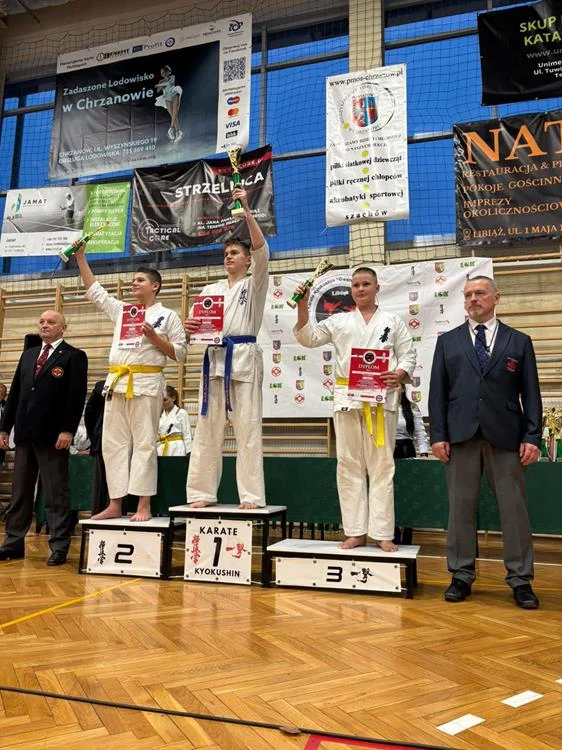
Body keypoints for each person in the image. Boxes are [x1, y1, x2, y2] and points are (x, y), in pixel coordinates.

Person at [429, 275, 542, 609]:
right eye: (468, 294)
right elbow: (437, 393)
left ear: (496, 297)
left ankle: (520, 579)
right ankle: (461, 575)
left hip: (506, 438)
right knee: (460, 510)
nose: (473, 299)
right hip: (460, 437)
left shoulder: (519, 341)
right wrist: (438, 435)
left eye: (479, 293)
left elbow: (531, 394)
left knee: (514, 511)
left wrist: (532, 436)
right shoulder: (447, 342)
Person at [294, 267, 416, 551]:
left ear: (377, 288)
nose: (360, 289)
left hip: (381, 400)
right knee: (349, 465)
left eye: (366, 284)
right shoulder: (339, 321)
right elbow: (308, 337)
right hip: (347, 400)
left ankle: (383, 533)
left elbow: (408, 354)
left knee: (382, 467)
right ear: (351, 290)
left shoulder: (392, 321)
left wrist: (399, 373)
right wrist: (303, 304)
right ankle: (355, 531)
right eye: (356, 285)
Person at [74, 250, 187, 522]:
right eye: (133, 280)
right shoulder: (125, 311)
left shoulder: (167, 316)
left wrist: (154, 338)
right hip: (117, 383)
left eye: (140, 280)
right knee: (113, 445)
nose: (134, 283)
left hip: (146, 384)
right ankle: (115, 503)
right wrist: (80, 258)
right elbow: (96, 291)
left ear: (155, 286)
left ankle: (143, 504)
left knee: (144, 444)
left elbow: (180, 354)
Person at [184, 186, 269, 509]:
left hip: (243, 358)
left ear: (248, 260)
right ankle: (201, 493)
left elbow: (262, 249)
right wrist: (190, 329)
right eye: (225, 254)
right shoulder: (210, 289)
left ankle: (251, 496)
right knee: (207, 429)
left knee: (248, 430)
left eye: (234, 253)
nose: (228, 257)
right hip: (214, 360)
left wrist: (245, 208)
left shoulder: (254, 283)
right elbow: (196, 328)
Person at [0, 310, 88, 564]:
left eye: (51, 322)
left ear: (63, 327)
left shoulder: (73, 356)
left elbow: (75, 396)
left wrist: (68, 430)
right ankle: (13, 543)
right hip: (25, 433)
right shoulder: (29, 355)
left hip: (53, 435)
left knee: (55, 492)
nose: (45, 325)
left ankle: (59, 546)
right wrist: (5, 428)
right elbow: (15, 393)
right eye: (41, 322)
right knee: (20, 492)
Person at [393, 386, 429, 545]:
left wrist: (423, 452)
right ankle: (392, 531)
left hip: (407, 451)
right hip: (388, 451)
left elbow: (420, 432)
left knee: (407, 493)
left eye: (397, 385)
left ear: (402, 388)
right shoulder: (383, 405)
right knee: (391, 493)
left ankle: (408, 531)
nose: (395, 388)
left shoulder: (412, 407)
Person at [84, 380, 110, 516]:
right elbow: (90, 412)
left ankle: (97, 516)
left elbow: (90, 412)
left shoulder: (102, 385)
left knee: (100, 485)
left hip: (103, 438)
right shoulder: (102, 386)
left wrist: (94, 435)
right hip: (105, 439)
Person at [157, 385, 192, 456]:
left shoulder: (181, 413)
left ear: (173, 398)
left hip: (177, 448)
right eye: (160, 400)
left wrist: (189, 452)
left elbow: (187, 434)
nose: (162, 402)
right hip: (161, 447)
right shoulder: (159, 415)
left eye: (165, 400)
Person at [155, 65, 183, 143]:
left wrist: (159, 85)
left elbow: (169, 83)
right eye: (161, 72)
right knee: (172, 115)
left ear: (167, 72)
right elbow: (158, 91)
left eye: (164, 72)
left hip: (175, 94)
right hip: (167, 97)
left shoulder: (172, 77)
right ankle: (178, 132)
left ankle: (171, 129)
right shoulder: (161, 81)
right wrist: (160, 85)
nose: (162, 73)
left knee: (175, 112)